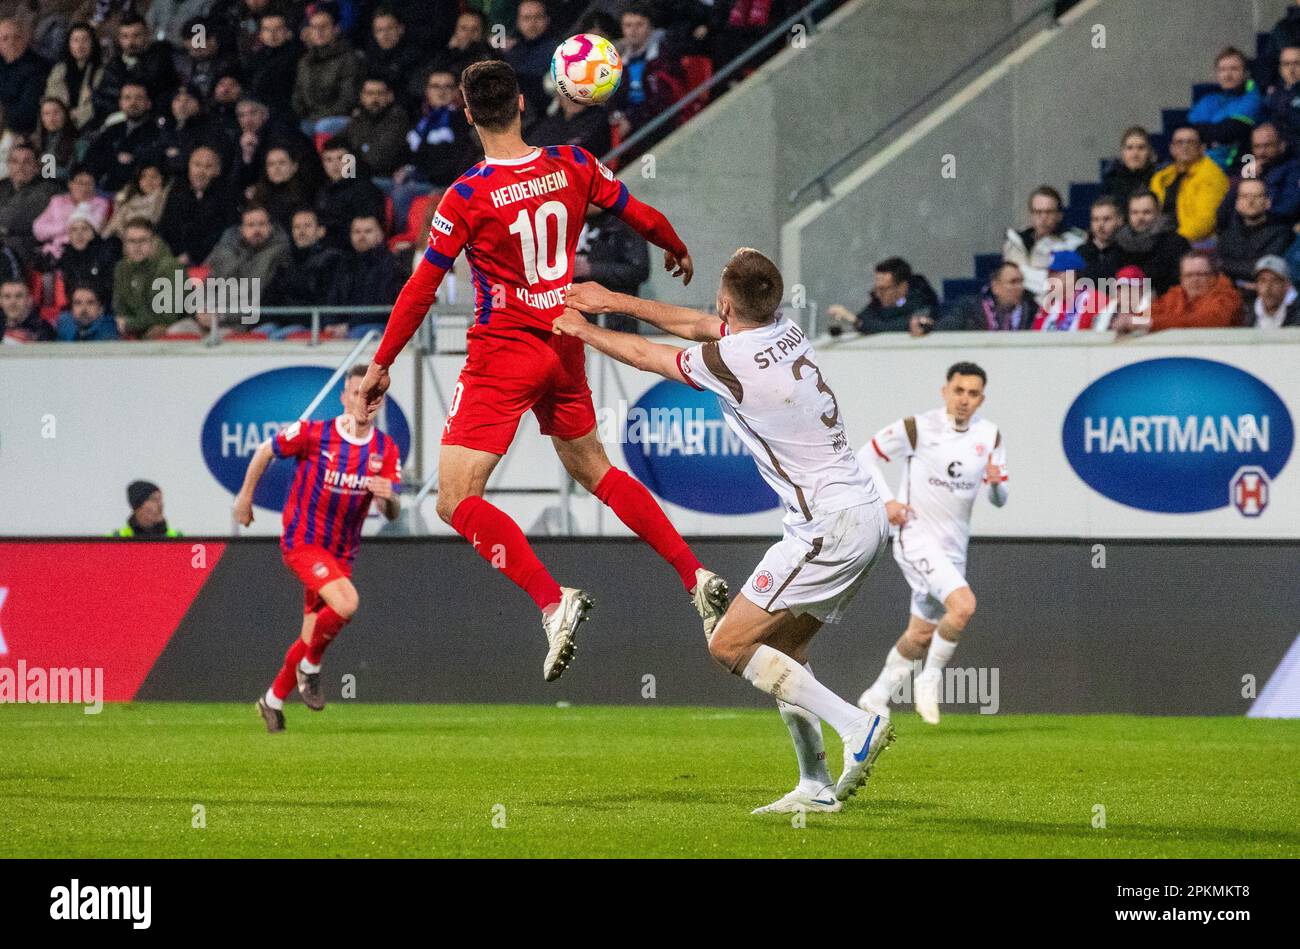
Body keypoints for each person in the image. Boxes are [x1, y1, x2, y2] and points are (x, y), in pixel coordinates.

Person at [359, 60, 727, 682]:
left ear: (469, 114)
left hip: (503, 351)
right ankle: (696, 576)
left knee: (455, 501)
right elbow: (639, 214)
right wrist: (675, 245)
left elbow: (422, 288)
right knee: (597, 471)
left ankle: (554, 602)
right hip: (566, 338)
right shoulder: (574, 163)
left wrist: (381, 363)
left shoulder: (467, 194)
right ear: (524, 104)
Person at [558, 250, 894, 812]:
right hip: (863, 515)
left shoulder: (734, 360)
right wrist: (612, 300)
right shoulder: (783, 332)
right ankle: (814, 785)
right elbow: (694, 325)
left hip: (825, 526)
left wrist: (581, 328)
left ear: (726, 300)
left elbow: (648, 355)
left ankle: (856, 725)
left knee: (730, 644)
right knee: (785, 650)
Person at [236, 364, 402, 733]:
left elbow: (390, 512)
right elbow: (266, 450)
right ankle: (310, 668)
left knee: (310, 634)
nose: (364, 400)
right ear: (344, 398)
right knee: (347, 604)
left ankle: (273, 700)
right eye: (357, 393)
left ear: (379, 401)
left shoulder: (384, 450)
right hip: (303, 543)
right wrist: (245, 498)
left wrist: (388, 499)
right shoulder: (314, 434)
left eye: (372, 394)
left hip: (342, 554)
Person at [855, 363, 1008, 726]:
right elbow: (865, 457)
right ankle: (930, 680)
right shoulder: (918, 427)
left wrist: (996, 484)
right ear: (945, 392)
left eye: (973, 394)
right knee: (964, 605)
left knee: (921, 633)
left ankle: (875, 696)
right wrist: (887, 501)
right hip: (915, 536)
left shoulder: (990, 435)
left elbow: (1001, 498)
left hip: (955, 547)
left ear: (981, 399)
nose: (964, 399)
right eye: (959, 391)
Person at [1114, 251, 1244, 334]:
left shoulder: (1228, 296)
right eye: (1189, 275)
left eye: (1200, 274)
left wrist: (1151, 323)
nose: (1194, 280)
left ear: (1213, 277)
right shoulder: (1176, 295)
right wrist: (1130, 318)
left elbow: (1206, 322)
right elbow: (1148, 315)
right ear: (1181, 278)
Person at [1001, 186, 1086, 299]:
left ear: (1059, 215)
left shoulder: (1073, 243)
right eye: (1038, 212)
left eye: (1049, 212)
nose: (1043, 217)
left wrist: (1024, 276)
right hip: (1019, 307)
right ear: (1031, 215)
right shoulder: (1015, 243)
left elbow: (1062, 285)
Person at [1150, 126, 1229, 242]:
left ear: (1202, 148)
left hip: (1194, 243)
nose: (1185, 146)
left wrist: (1175, 241)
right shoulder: (1161, 178)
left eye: (1191, 142)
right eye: (1179, 142)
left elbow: (1204, 222)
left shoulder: (1211, 176)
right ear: (1172, 148)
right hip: (1160, 239)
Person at [82, 81, 164, 193]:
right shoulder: (112, 128)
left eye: (139, 98)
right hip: (95, 190)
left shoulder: (156, 133)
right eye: (127, 98)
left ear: (148, 103)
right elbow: (90, 158)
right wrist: (115, 158)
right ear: (120, 103)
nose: (133, 103)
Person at [1187, 47, 1261, 171]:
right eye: (1222, 70)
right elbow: (1190, 132)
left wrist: (1207, 133)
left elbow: (1227, 132)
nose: (1227, 75)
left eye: (1234, 69)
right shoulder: (1209, 99)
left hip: (1238, 167)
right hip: (1202, 167)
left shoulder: (1252, 97)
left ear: (1245, 72)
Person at [293, 2, 359, 136]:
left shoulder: (349, 59)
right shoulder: (304, 62)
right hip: (311, 118)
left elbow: (347, 100)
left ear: (336, 29)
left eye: (324, 27)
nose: (318, 32)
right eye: (314, 27)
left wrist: (318, 117)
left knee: (323, 127)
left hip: (339, 118)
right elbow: (298, 96)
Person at [826, 257, 940, 335]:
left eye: (884, 289)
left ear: (903, 287)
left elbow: (894, 327)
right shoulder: (878, 302)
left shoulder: (923, 304)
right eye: (877, 287)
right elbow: (865, 319)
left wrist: (856, 321)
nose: (878, 293)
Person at [112, 217, 181, 338]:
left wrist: (130, 323)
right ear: (124, 244)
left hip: (175, 327)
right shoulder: (121, 268)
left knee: (158, 331)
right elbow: (119, 309)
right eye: (132, 241)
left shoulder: (170, 267)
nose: (137, 246)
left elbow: (167, 317)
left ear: (154, 242)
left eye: (143, 240)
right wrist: (129, 323)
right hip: (138, 329)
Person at [1215, 178, 1291, 288]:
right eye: (1245, 196)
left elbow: (1263, 269)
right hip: (1230, 293)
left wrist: (1226, 266)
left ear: (1267, 202)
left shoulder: (1282, 233)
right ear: (1237, 203)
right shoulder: (1227, 234)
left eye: (1256, 196)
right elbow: (1217, 267)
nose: (1250, 201)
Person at [1114, 190, 1191, 295]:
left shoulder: (1175, 243)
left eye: (1146, 212)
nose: (1140, 217)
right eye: (1135, 212)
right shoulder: (1119, 242)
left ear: (1158, 212)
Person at [33, 165, 111, 261]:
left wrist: (60, 231)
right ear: (70, 184)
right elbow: (38, 229)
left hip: (86, 253)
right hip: (57, 252)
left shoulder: (100, 203)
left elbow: (94, 229)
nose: (84, 188)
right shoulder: (57, 201)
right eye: (80, 183)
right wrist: (65, 226)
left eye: (89, 184)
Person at [935, 261, 1036, 331]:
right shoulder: (969, 310)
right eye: (1013, 282)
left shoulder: (1032, 311)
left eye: (1021, 282)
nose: (1020, 287)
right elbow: (942, 330)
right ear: (995, 287)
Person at [0, 17, 50, 135]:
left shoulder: (38, 67)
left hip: (19, 131)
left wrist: (3, 113)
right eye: (5, 39)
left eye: (16, 37)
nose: (11, 43)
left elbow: (27, 112)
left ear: (25, 40)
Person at [1100, 127, 1156, 207]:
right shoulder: (1112, 180)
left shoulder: (1159, 178)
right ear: (1123, 152)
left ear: (1149, 151)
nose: (1135, 154)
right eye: (1129, 148)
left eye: (1141, 148)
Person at [110, 480, 181, 538]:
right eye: (153, 500)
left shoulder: (179, 539)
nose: (160, 505)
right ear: (138, 507)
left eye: (160, 500)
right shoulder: (114, 541)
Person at [1249, 254, 1300, 327]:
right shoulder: (1247, 314)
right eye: (1262, 281)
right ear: (1256, 285)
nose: (1268, 288)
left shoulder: (1297, 315)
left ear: (1286, 285)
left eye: (1275, 280)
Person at [1, 277, 55, 342]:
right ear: (0, 301)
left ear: (29, 300)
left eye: (19, 296)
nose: (13, 302)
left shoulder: (44, 329)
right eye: (7, 297)